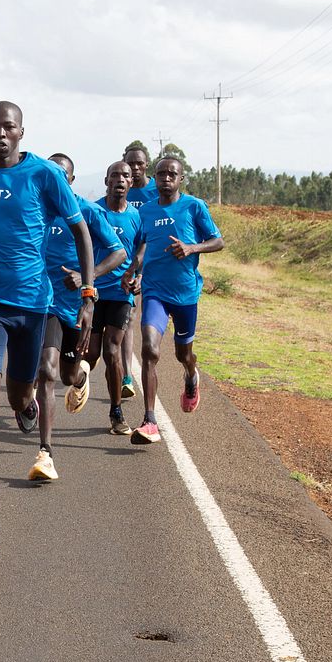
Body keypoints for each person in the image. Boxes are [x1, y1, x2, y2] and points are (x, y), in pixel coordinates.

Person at [0, 101, 95, 550]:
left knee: (19, 393)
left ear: (22, 132)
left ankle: (27, 408)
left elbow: (82, 231)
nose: (0, 134)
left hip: (33, 307)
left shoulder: (44, 175)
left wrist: (88, 293)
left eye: (9, 127)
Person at [32, 153, 125, 481]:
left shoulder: (87, 212)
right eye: (51, 174)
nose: (55, 180)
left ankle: (82, 377)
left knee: (68, 376)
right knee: (45, 370)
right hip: (42, 305)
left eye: (62, 175)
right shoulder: (34, 208)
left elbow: (119, 252)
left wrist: (88, 279)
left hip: (75, 307)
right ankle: (45, 452)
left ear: (70, 181)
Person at [131, 156, 225, 444]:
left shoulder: (194, 206)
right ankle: (149, 420)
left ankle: (190, 375)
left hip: (185, 294)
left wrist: (191, 247)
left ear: (181, 178)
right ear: (154, 177)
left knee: (183, 354)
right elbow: (138, 247)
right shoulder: (144, 211)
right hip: (155, 291)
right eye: (161, 174)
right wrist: (134, 273)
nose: (166, 178)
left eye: (172, 174)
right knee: (149, 349)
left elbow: (217, 241)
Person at [84, 160, 145, 435]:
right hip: (94, 293)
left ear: (131, 182)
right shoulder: (94, 211)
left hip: (121, 295)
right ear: (106, 181)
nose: (120, 179)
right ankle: (80, 379)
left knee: (112, 351)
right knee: (92, 353)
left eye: (125, 176)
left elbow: (141, 247)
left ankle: (116, 412)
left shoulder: (136, 216)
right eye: (115, 175)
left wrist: (138, 276)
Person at [117, 140, 157, 401]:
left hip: (151, 262)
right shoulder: (122, 187)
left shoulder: (156, 190)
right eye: (131, 163)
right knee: (125, 318)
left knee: (135, 319)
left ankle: (128, 374)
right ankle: (125, 375)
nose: (135, 167)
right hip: (124, 263)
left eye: (139, 163)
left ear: (146, 165)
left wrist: (143, 271)